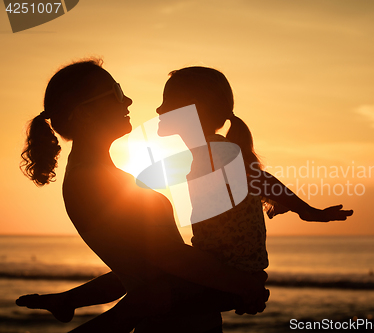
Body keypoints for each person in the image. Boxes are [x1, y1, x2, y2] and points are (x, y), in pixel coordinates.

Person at [18, 63, 353, 332]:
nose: (129, 101)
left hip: (179, 319)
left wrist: (74, 297)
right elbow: (167, 262)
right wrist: (241, 285)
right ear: (84, 113)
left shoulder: (99, 179)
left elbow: (138, 267)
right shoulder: (98, 184)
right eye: (115, 93)